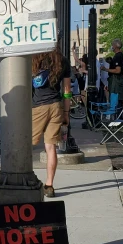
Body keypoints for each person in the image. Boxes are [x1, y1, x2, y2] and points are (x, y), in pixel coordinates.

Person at [32, 44, 72, 198]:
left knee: (27, 144)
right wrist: (66, 113)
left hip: (37, 106)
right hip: (56, 106)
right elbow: (67, 91)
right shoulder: (62, 60)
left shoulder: (34, 59)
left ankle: (23, 177)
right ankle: (49, 185)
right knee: (51, 148)